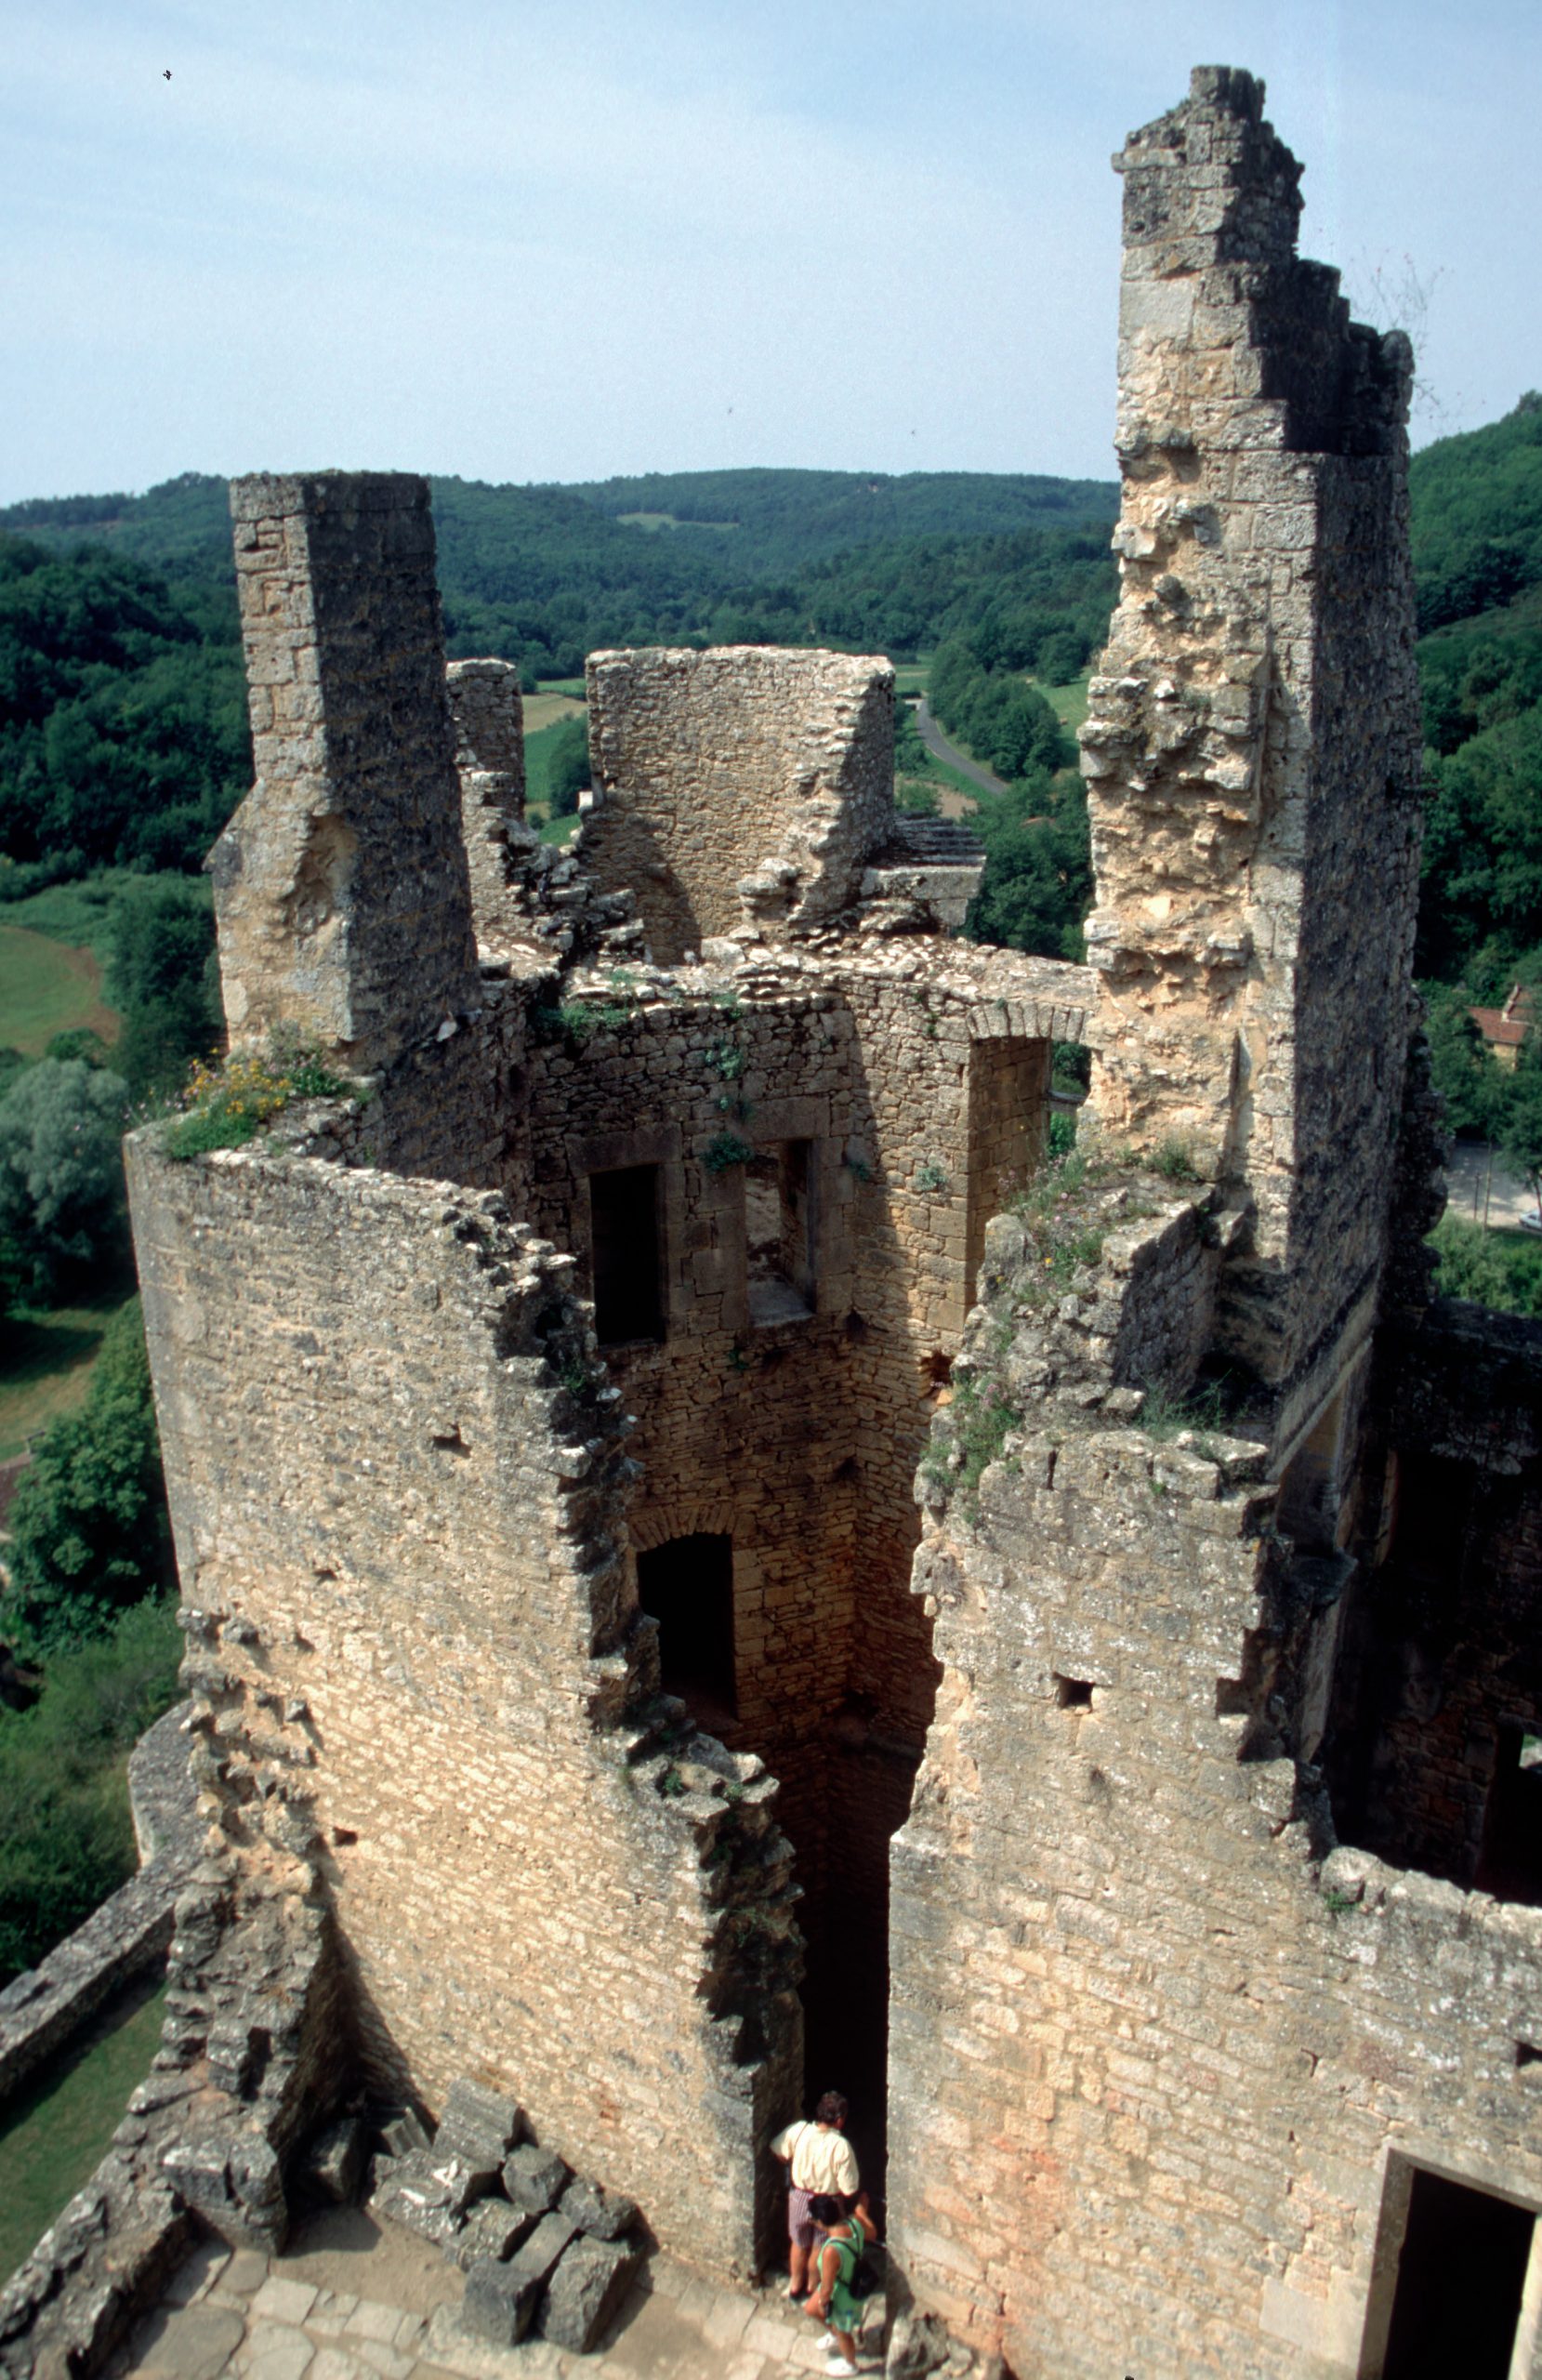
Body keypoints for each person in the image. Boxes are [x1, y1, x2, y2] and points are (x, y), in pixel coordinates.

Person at [771, 2092, 860, 2298]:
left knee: (798, 2243)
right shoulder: (841, 2147)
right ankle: (812, 2286)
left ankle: (795, 2285)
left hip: (799, 2197)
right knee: (820, 2246)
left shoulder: (799, 2130)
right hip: (827, 2203)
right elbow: (849, 2189)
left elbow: (777, 2149)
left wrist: (792, 2163)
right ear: (839, 2120)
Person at [805, 2191, 878, 2373]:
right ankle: (834, 2333)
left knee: (843, 2332)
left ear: (820, 2223)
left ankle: (850, 2364)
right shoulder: (854, 2223)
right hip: (850, 2277)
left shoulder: (831, 2251)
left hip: (842, 2293)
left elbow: (827, 2285)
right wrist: (862, 2213)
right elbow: (872, 2232)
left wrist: (824, 2301)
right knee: (810, 2309)